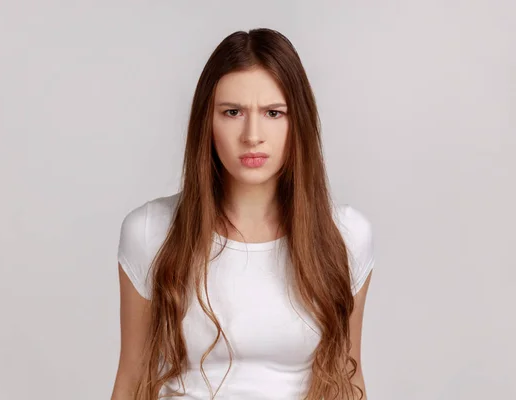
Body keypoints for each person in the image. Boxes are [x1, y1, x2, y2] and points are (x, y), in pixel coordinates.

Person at [111, 28, 375, 400]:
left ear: (296, 122)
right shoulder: (150, 232)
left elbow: (349, 379)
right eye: (233, 112)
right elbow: (131, 381)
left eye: (273, 112)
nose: (253, 135)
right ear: (208, 122)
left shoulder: (346, 235)